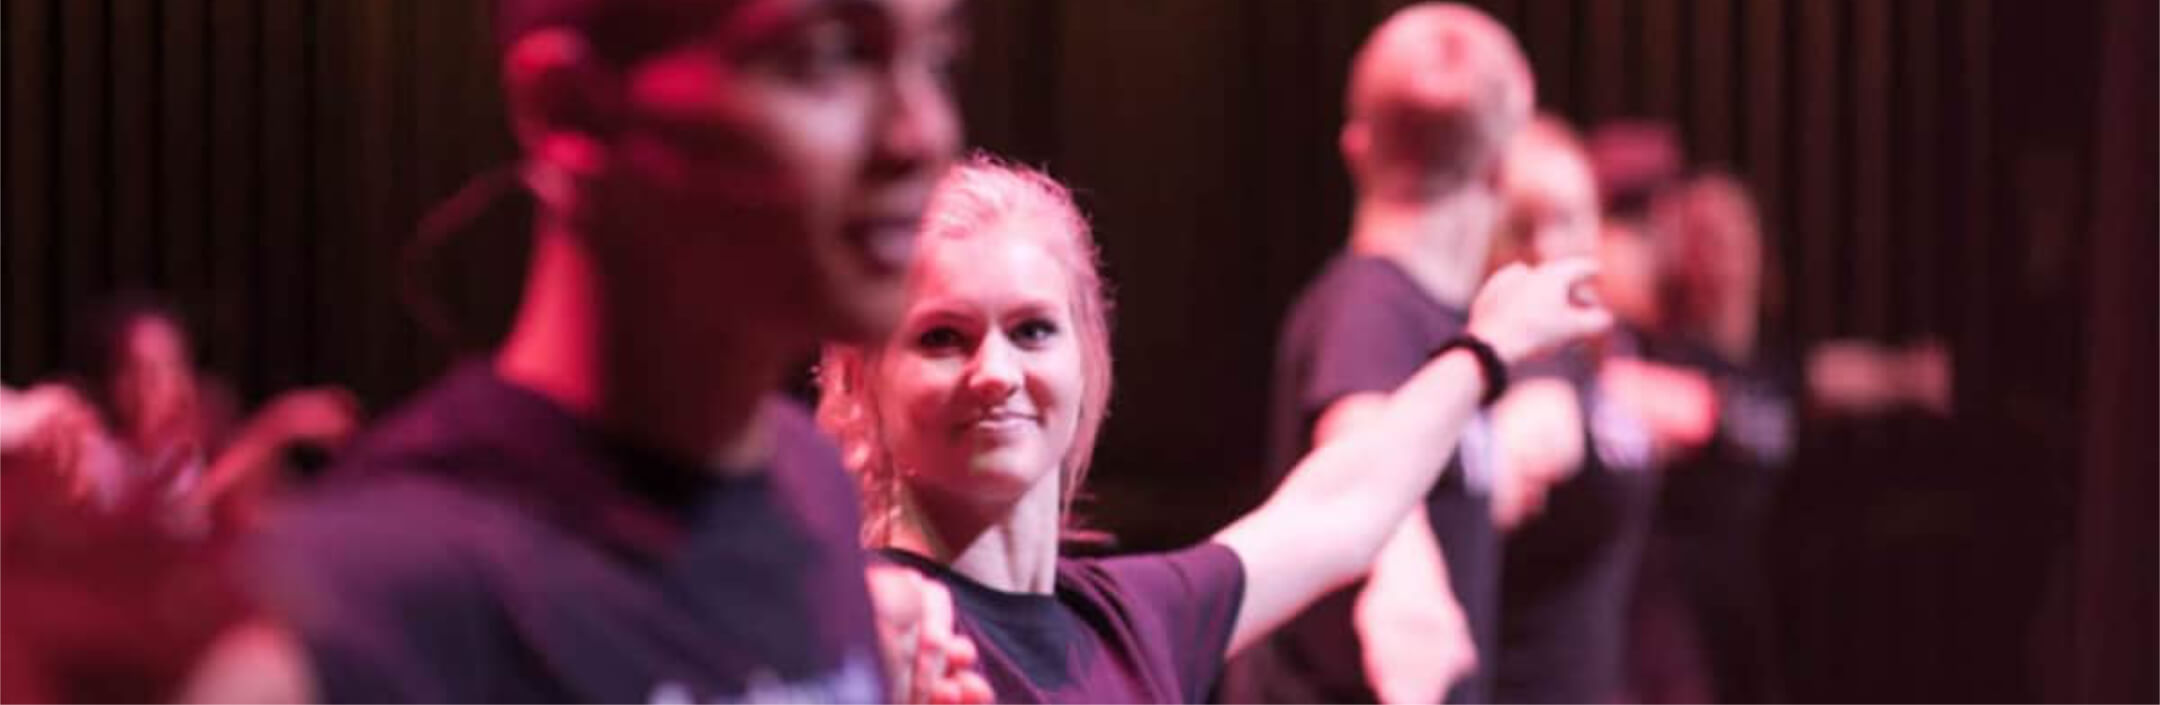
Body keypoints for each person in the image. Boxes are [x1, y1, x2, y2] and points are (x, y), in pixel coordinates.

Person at [243, 0, 975, 701]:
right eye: (829, 55)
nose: (923, 134)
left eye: (935, 58)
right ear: (568, 109)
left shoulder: (812, 489)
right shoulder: (372, 597)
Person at [816, 148, 1604, 703]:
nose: (995, 371)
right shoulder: (865, 632)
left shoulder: (1132, 619)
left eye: (1032, 331)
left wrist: (1487, 347)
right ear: (861, 378)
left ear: (1089, 355)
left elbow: (1339, 508)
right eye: (941, 338)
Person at [1218, 4, 1540, 703]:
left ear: (1358, 147)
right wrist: (1407, 591)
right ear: (1498, 169)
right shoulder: (1370, 311)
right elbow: (1362, 452)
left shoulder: (1428, 317)